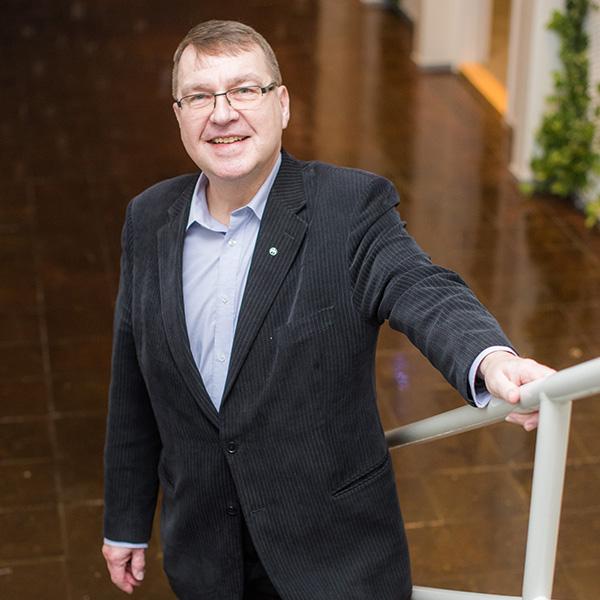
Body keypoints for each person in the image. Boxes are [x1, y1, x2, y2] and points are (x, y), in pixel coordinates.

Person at [101, 19, 552, 600]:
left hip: (335, 563)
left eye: (244, 90)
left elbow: (420, 285)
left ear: (283, 104)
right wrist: (125, 521)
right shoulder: (147, 219)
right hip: (208, 563)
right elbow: (133, 383)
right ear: (179, 115)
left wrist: (490, 361)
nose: (223, 113)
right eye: (200, 96)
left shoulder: (349, 207)